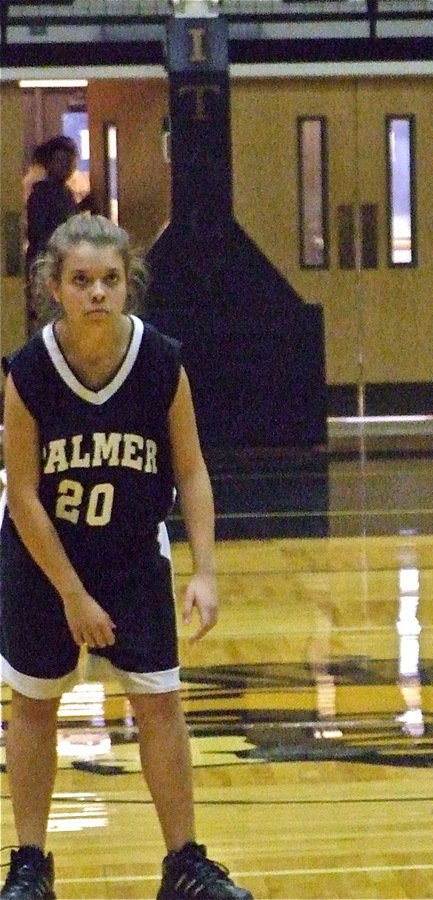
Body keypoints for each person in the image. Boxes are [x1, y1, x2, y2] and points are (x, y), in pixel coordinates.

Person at [0, 214, 253, 900]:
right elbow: (22, 495)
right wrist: (72, 595)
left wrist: (204, 570)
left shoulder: (161, 361)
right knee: (34, 705)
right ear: (54, 286)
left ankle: (185, 864)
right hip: (43, 560)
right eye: (81, 280)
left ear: (127, 285)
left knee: (160, 702)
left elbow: (192, 471)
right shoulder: (27, 373)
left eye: (110, 280)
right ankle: (28, 865)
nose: (97, 293)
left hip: (133, 552)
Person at [24, 136, 81, 338]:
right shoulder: (42, 194)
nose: (66, 166)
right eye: (60, 160)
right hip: (45, 262)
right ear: (48, 163)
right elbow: (39, 233)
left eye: (70, 161)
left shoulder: (65, 192)